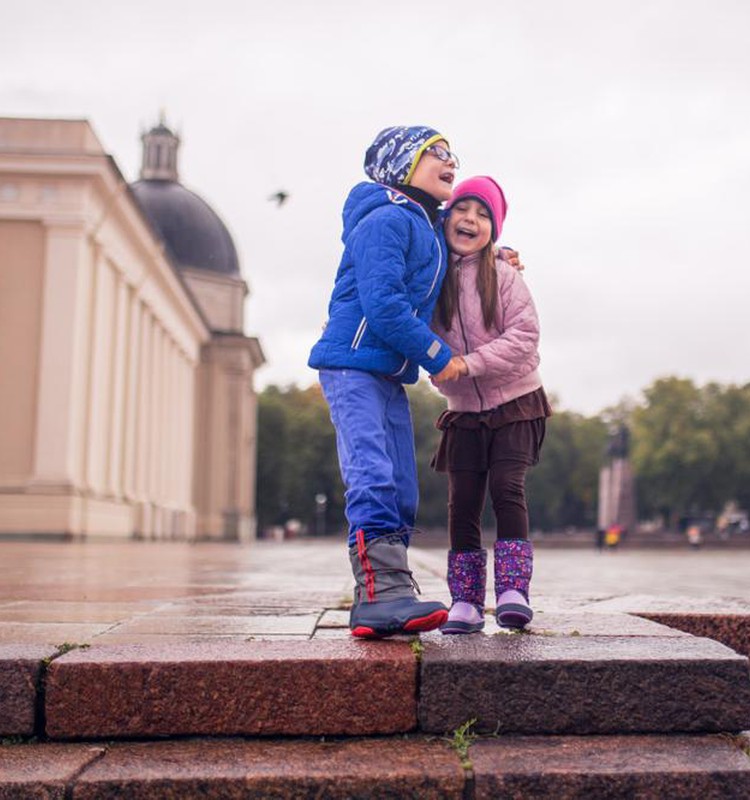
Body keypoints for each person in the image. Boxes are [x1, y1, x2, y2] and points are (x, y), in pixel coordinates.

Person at [308, 125, 465, 638]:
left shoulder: (424, 224)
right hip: (353, 363)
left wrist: (499, 256)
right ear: (402, 165)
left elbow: (456, 253)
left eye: (452, 153)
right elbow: (384, 304)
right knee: (372, 471)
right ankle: (381, 596)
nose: (451, 160)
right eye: (436, 152)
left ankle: (386, 596)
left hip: (385, 370)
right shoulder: (387, 219)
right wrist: (437, 355)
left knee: (400, 480)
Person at [430, 176, 551, 633]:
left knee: (506, 488)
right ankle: (464, 601)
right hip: (464, 411)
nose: (471, 220)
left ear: (494, 230)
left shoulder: (503, 275)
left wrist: (466, 364)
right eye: (463, 209)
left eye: (483, 215)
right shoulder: (432, 278)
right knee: (462, 504)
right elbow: (417, 332)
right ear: (446, 218)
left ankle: (513, 591)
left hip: (516, 401)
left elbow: (524, 337)